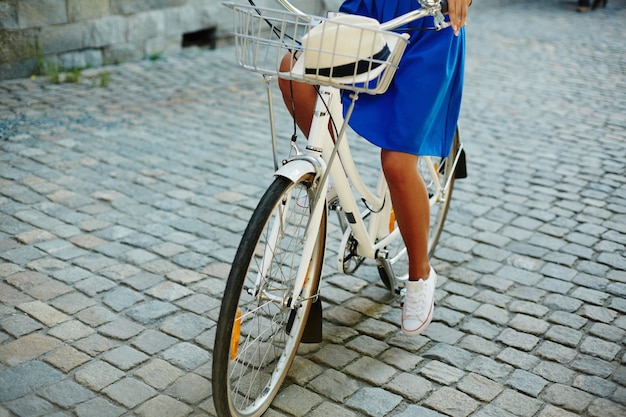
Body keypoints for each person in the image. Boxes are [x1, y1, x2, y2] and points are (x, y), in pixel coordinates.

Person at [278, 0, 470, 337]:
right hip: (367, 15)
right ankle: (329, 176)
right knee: (292, 73)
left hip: (428, 25)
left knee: (396, 163)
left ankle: (420, 273)